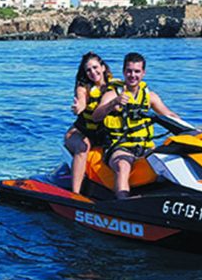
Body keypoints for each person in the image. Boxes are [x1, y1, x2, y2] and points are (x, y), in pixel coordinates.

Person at [91, 52, 177, 199]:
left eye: (137, 71)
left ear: (143, 73)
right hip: (119, 146)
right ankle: (123, 202)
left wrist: (191, 131)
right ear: (124, 72)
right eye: (129, 71)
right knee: (123, 165)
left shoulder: (150, 96)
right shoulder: (113, 94)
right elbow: (96, 116)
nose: (132, 75)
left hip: (144, 146)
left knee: (171, 162)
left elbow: (169, 115)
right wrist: (114, 103)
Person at [64, 52, 119, 194]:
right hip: (78, 134)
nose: (93, 72)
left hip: (102, 137)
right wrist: (79, 107)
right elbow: (81, 100)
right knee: (84, 146)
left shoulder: (115, 87)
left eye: (95, 67)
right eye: (88, 70)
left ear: (103, 67)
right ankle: (75, 193)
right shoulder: (83, 88)